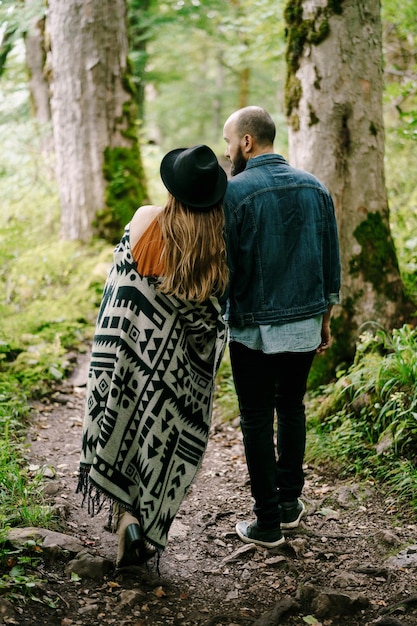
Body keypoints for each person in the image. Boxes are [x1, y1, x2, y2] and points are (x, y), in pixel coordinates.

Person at [77, 144, 228, 567]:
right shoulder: (219, 241)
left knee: (124, 423)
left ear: (173, 188)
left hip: (127, 353)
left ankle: (125, 518)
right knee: (158, 438)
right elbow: (213, 312)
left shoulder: (146, 218)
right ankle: (143, 514)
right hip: (179, 368)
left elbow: (120, 287)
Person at [222, 106, 341, 548]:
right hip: (306, 321)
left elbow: (226, 267)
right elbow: (331, 261)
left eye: (229, 141)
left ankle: (267, 523)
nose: (227, 150)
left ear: (247, 142)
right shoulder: (316, 188)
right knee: (291, 407)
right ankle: (290, 505)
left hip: (252, 326)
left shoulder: (234, 192)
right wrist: (325, 319)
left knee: (256, 419)